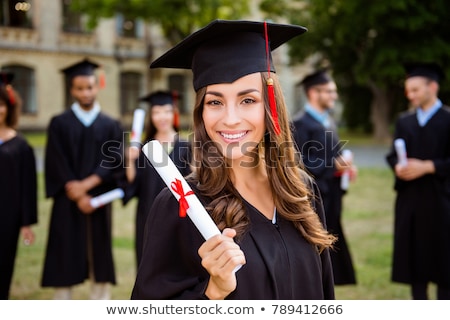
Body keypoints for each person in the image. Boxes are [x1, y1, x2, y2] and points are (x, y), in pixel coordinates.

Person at [131, 19, 336, 300]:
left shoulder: (302, 192)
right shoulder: (180, 206)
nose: (230, 119)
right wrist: (213, 291)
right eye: (215, 102)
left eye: (248, 100)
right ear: (201, 113)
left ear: (271, 106)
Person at [41, 58, 125, 299]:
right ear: (71, 90)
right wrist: (74, 191)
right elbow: (56, 160)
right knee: (64, 254)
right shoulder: (59, 123)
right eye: (79, 88)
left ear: (97, 87)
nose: (85, 93)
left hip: (97, 200)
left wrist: (86, 186)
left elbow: (114, 160)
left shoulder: (111, 124)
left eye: (89, 87)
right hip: (68, 201)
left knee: (99, 257)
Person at [386, 62, 450, 299]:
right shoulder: (405, 121)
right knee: (415, 265)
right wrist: (399, 167)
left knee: (444, 263)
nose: (410, 95)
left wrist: (429, 166)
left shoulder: (447, 119)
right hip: (411, 201)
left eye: (415, 89)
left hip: (441, 200)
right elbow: (393, 155)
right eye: (408, 91)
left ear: (432, 87)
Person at [292, 69, 357, 285]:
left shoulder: (327, 121)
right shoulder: (300, 123)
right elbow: (297, 162)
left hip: (332, 195)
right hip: (313, 198)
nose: (334, 96)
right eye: (329, 91)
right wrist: (332, 165)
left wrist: (345, 166)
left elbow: (333, 153)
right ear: (313, 93)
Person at [124, 90, 191, 267]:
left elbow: (194, 181)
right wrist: (130, 160)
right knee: (149, 261)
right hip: (149, 213)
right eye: (156, 112)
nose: (162, 117)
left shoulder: (186, 146)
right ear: (151, 116)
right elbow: (133, 183)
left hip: (179, 216)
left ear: (174, 113)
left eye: (167, 111)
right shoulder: (144, 148)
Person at [0, 72, 37, 299]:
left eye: (1, 104)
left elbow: (28, 187)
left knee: (2, 268)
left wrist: (26, 223)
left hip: (7, 220)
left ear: (9, 106)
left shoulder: (21, 146)